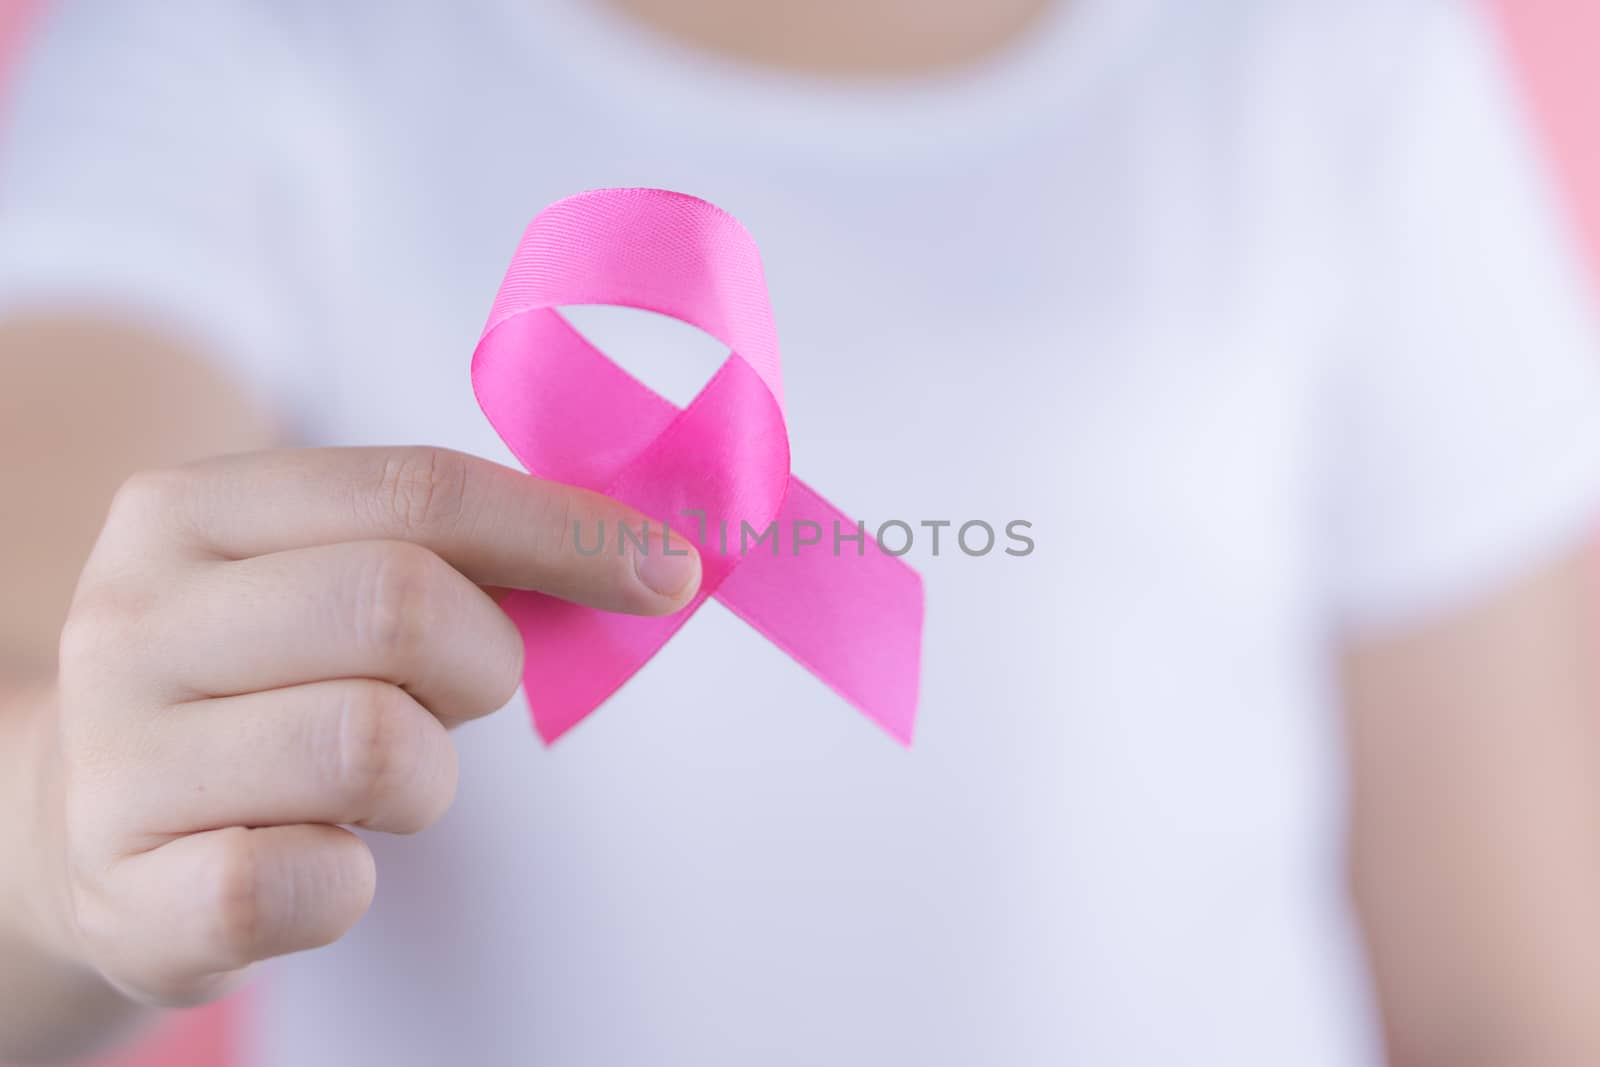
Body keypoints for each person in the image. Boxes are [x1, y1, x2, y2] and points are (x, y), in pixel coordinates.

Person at [4, 0, 1600, 1064]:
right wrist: (69, 839)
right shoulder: (238, 40)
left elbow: (1509, 978)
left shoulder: (1324, 49)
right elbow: (51, 688)